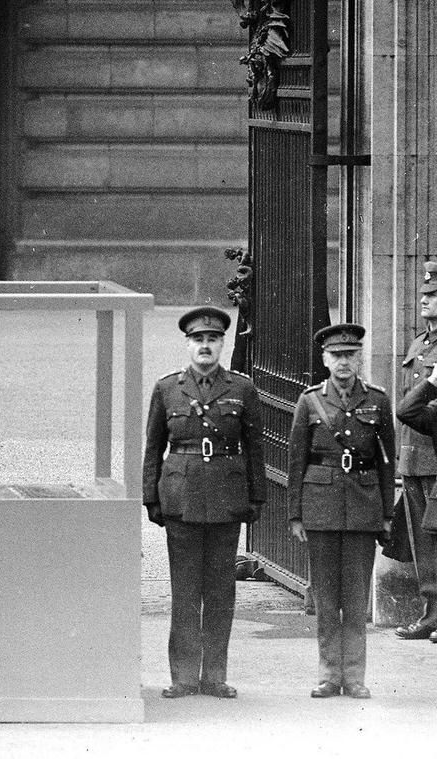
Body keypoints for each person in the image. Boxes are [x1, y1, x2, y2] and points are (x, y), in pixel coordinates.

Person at [142, 305, 265, 699]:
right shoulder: (167, 388)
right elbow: (153, 448)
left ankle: (213, 677)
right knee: (184, 592)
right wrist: (151, 497)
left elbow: (255, 448)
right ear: (188, 345)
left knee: (219, 592)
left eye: (212, 339)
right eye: (199, 340)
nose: (206, 346)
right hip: (181, 497)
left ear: (222, 344)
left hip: (227, 498)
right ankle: (182, 678)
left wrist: (256, 497)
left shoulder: (242, 388)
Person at [287, 323, 394, 699]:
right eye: (336, 356)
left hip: (364, 507)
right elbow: (296, 459)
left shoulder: (378, 400)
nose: (343, 362)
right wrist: (295, 514)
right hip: (320, 506)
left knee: (355, 596)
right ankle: (329, 674)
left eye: (350, 355)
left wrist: (386, 514)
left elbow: (385, 463)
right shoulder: (310, 400)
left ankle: (355, 676)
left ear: (359, 357)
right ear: (324, 359)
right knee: (327, 598)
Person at [391, 261, 437, 640]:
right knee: (424, 546)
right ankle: (430, 614)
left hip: (435, 456)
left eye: (433, 295)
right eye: (423, 294)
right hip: (413, 456)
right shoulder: (419, 344)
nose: (425, 300)